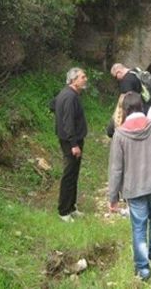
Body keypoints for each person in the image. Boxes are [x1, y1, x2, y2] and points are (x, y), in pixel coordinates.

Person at [108, 92, 151, 281]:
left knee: (138, 226)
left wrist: (112, 197)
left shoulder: (120, 134)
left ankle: (143, 268)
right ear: (141, 107)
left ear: (125, 110)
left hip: (134, 187)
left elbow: (116, 168)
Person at [49, 67, 88, 223]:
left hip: (70, 140)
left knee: (74, 174)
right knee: (69, 175)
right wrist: (73, 143)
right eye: (82, 77)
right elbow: (68, 121)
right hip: (71, 142)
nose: (85, 79)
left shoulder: (65, 93)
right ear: (73, 80)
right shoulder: (70, 96)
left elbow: (52, 105)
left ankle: (71, 207)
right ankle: (64, 211)